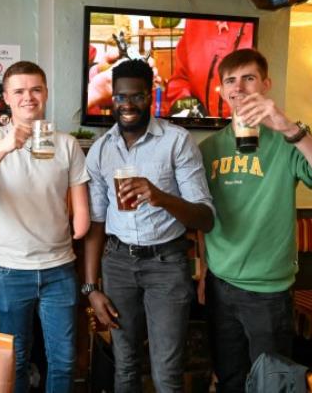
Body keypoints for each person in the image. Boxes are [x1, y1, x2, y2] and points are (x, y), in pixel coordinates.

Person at [198, 48, 312, 393]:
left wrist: (288, 127)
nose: (239, 88)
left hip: (269, 291)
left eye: (248, 78)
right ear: (222, 91)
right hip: (220, 284)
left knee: (271, 384)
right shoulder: (208, 148)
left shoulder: (287, 142)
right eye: (231, 80)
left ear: (265, 85)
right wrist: (203, 271)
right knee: (229, 379)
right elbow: (203, 215)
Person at [0, 61, 90, 393]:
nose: (28, 97)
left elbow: (82, 220)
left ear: (45, 93)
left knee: (63, 362)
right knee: (14, 360)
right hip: (9, 270)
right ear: (6, 98)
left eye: (35, 89)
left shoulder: (67, 144)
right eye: (19, 91)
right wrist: (5, 146)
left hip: (59, 269)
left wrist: (77, 225)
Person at [83, 58, 214, 393]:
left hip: (166, 265)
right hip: (118, 264)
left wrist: (160, 197)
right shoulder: (100, 150)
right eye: (120, 97)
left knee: (166, 372)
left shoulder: (177, 141)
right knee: (124, 366)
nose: (127, 105)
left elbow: (205, 217)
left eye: (137, 96)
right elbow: (97, 222)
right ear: (112, 97)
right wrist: (91, 287)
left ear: (151, 96)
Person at [163, 19, 255, 118]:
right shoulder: (195, 19)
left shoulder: (260, 22)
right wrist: (188, 107)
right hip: (201, 128)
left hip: (247, 127)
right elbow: (180, 79)